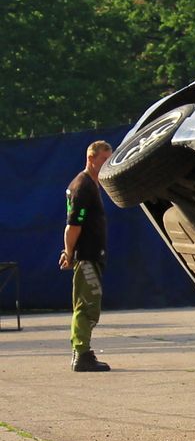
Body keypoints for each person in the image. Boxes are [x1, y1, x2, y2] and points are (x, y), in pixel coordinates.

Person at [61, 141, 114, 372]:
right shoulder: (83, 186)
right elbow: (73, 225)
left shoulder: (92, 185)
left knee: (89, 303)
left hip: (93, 255)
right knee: (87, 305)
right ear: (91, 159)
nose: (106, 164)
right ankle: (81, 355)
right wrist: (69, 253)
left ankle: (81, 351)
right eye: (103, 160)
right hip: (86, 256)